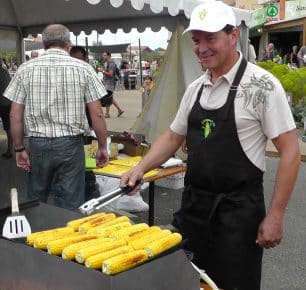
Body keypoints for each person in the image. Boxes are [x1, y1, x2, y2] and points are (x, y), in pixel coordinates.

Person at [120, 2, 300, 290]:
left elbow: (290, 151)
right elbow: (172, 137)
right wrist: (140, 168)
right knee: (190, 281)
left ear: (232, 37)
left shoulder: (261, 86)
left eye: (210, 38)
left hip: (237, 215)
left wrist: (276, 215)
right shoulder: (196, 89)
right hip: (194, 209)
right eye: (196, 40)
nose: (201, 48)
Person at [4, 24, 109, 210]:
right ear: (69, 43)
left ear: (44, 44)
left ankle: (37, 233)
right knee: (71, 200)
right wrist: (102, 146)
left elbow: (14, 114)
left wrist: (19, 148)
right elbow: (97, 113)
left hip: (38, 144)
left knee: (36, 199)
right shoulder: (83, 68)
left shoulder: (25, 69)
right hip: (71, 144)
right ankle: (67, 234)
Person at [101, 51, 124, 118]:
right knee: (109, 98)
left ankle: (107, 113)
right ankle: (119, 110)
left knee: (107, 98)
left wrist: (102, 71)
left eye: (104, 55)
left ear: (109, 56)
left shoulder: (111, 64)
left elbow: (110, 74)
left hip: (110, 83)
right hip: (107, 83)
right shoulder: (107, 63)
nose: (103, 56)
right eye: (103, 55)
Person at [0, 63, 12, 158]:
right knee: (8, 127)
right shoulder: (5, 72)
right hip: (7, 102)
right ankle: (9, 149)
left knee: (8, 128)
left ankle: (9, 150)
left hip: (3, 103)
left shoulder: (2, 72)